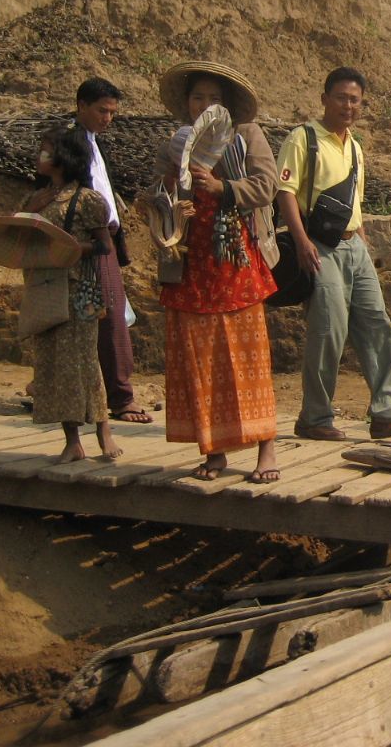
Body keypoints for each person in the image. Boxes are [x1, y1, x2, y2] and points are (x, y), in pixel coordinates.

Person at [275, 66, 391, 441]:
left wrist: (362, 235)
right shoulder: (303, 139)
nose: (348, 105)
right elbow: (285, 192)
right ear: (324, 99)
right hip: (319, 246)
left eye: (355, 99)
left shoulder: (355, 146)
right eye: (341, 97)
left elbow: (354, 199)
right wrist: (302, 240)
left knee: (376, 325)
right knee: (329, 330)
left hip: (355, 245)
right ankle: (315, 418)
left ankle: (387, 413)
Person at [155, 62, 281, 482]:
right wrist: (172, 206)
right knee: (200, 357)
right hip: (191, 263)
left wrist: (222, 188)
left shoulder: (246, 136)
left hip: (235, 260)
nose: (205, 104)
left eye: (213, 98)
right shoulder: (175, 145)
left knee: (248, 355)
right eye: (198, 97)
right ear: (188, 104)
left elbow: (267, 186)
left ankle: (267, 449)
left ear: (224, 105)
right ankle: (214, 451)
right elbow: (158, 194)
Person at [19, 123, 121, 462]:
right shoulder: (35, 198)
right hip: (46, 289)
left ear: (63, 157)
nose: (40, 156)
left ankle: (103, 430)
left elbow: (104, 246)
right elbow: (22, 238)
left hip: (80, 291)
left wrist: (71, 248)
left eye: (46, 151)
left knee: (84, 362)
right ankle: (72, 440)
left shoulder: (89, 200)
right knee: (51, 365)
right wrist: (32, 208)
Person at [73, 77, 152, 424]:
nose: (108, 118)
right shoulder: (72, 141)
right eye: (102, 111)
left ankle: (104, 394)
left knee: (103, 316)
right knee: (110, 318)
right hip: (91, 240)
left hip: (102, 238)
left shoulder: (89, 141)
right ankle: (121, 398)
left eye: (112, 112)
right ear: (82, 106)